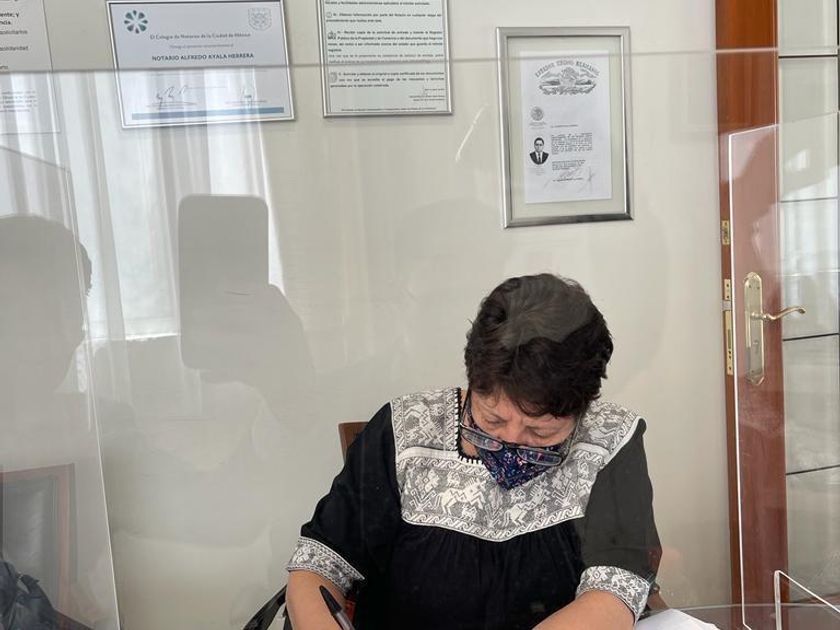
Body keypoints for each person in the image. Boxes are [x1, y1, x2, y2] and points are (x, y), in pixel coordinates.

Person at [285, 274, 660, 630]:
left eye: (538, 431)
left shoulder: (609, 440)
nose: (510, 440)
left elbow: (616, 588)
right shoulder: (406, 428)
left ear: (583, 408)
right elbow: (318, 566)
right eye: (492, 419)